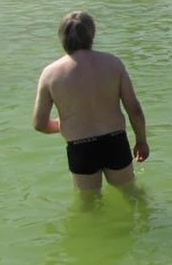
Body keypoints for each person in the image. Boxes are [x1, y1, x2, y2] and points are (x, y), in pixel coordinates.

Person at [32, 11, 149, 191]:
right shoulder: (113, 63)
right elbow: (134, 109)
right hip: (115, 141)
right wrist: (141, 141)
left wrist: (62, 124)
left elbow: (39, 124)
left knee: (88, 206)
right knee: (131, 194)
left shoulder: (50, 74)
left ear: (62, 37)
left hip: (80, 147)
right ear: (92, 34)